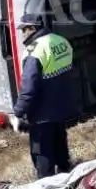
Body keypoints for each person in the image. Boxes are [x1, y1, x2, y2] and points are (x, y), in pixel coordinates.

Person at [12, 13, 79, 179]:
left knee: (42, 152)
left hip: (42, 113)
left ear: (33, 28)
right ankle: (66, 176)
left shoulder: (34, 52)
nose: (23, 34)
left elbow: (29, 89)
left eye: (25, 30)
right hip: (61, 107)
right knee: (60, 144)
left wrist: (18, 113)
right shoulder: (61, 41)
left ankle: (46, 184)